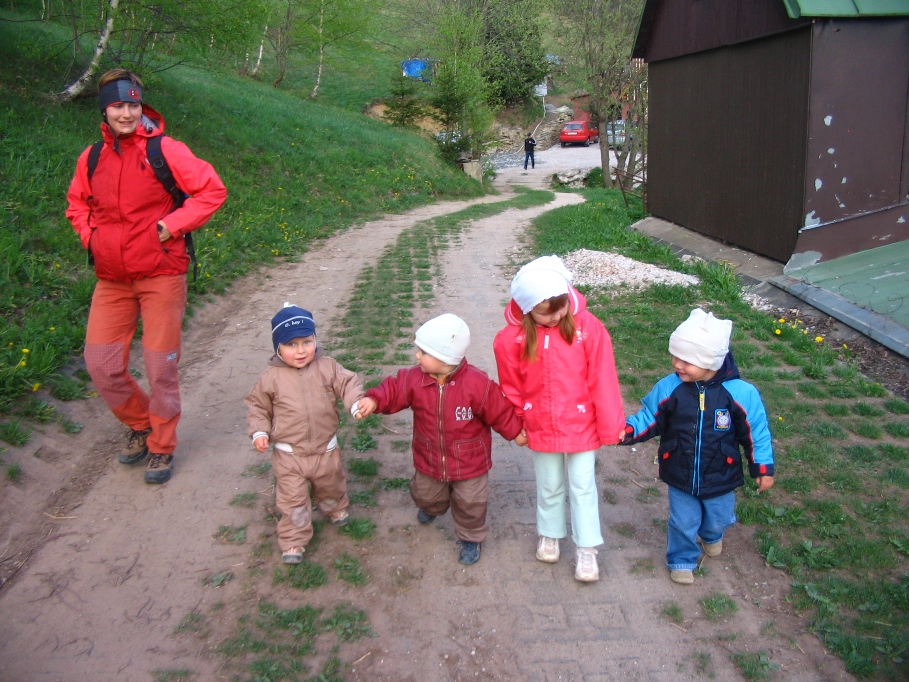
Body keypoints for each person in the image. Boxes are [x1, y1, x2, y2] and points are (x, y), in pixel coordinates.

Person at [65, 68, 227, 484]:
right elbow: (76, 204)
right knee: (101, 365)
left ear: (142, 106)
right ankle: (141, 423)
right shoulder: (93, 157)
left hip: (161, 274)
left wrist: (169, 227)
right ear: (105, 110)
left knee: (160, 369)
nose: (126, 113)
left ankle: (162, 446)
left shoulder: (164, 150)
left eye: (132, 104)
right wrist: (92, 238)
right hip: (112, 278)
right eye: (118, 105)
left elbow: (212, 191)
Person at [619, 308, 775, 585]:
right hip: (680, 468)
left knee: (720, 517)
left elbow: (756, 433)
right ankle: (681, 560)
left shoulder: (740, 393)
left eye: (687, 361)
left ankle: (713, 534)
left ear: (711, 362)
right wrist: (627, 430)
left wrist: (762, 467)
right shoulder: (670, 388)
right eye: (675, 356)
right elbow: (649, 416)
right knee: (682, 521)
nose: (677, 364)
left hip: (721, 472)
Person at [493, 256, 625, 582]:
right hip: (540, 424)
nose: (556, 316)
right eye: (545, 312)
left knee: (583, 486)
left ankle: (587, 550)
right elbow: (511, 387)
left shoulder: (588, 328)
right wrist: (517, 425)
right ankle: (550, 534)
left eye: (561, 306)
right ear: (526, 309)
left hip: (581, 422)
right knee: (549, 485)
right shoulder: (511, 340)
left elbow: (602, 377)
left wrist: (610, 425)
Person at [356, 313, 525, 565]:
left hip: (470, 462)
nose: (417, 356)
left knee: (470, 503)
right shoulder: (413, 379)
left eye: (423, 352)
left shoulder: (477, 384)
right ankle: (432, 507)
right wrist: (374, 400)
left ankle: (471, 537)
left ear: (445, 358)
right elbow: (392, 390)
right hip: (430, 457)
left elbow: (498, 410)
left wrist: (515, 432)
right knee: (426, 495)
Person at [245, 304, 365, 564]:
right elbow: (257, 406)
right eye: (291, 344)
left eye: (306, 342)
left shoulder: (327, 367)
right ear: (278, 347)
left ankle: (334, 507)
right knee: (293, 501)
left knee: (331, 483)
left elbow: (348, 383)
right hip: (290, 456)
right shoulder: (270, 378)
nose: (300, 351)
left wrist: (355, 403)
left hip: (326, 448)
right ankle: (293, 540)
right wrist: (259, 431)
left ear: (314, 340)